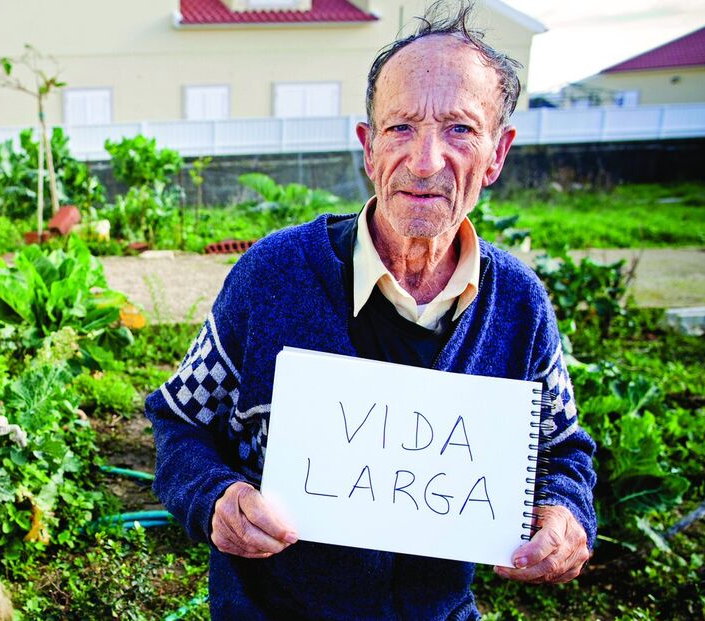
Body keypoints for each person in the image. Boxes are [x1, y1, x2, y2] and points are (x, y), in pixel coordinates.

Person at [145, 3, 596, 618]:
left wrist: (564, 514)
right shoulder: (275, 274)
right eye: (401, 127)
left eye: (460, 130)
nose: (425, 161)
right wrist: (216, 497)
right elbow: (180, 422)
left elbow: (561, 449)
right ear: (367, 146)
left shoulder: (517, 303)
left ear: (497, 154)